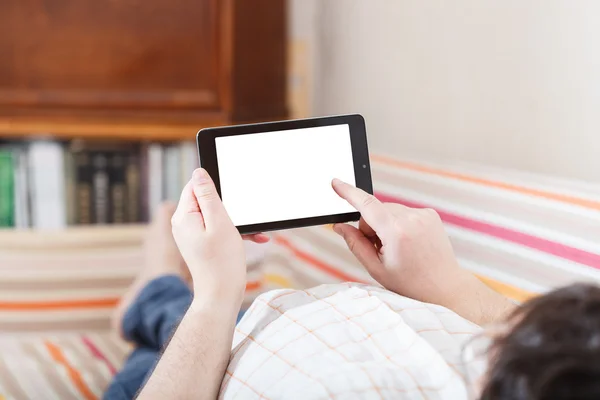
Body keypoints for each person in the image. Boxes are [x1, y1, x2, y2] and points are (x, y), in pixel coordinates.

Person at [104, 168, 600, 399]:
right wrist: (449, 285)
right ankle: (155, 297)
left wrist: (214, 293)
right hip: (251, 322)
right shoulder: (568, 362)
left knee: (155, 351)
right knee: (170, 318)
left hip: (200, 364)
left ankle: (155, 288)